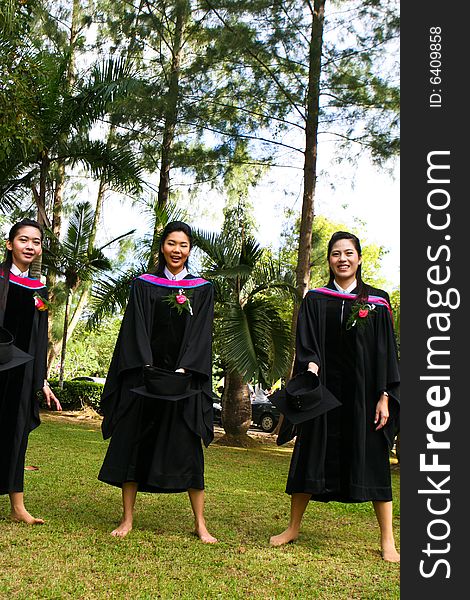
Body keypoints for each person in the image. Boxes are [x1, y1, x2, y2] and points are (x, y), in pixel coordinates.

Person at [270, 231, 400, 562]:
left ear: (359, 258)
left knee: (374, 462)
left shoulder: (377, 302)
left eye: (348, 253)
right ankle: (293, 528)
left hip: (364, 397)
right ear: (328, 260)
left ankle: (388, 541)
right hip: (323, 394)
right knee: (309, 455)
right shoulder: (316, 299)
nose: (342, 259)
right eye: (335, 254)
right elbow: (307, 342)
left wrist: (384, 396)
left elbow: (386, 353)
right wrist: (310, 368)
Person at [98, 221, 217, 543]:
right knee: (134, 444)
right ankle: (127, 519)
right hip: (144, 378)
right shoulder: (143, 285)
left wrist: (184, 370)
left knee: (189, 449)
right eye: (171, 244)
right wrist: (147, 366)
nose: (177, 251)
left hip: (185, 381)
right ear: (161, 247)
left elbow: (201, 333)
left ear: (190, 250)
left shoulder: (202, 289)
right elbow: (134, 329)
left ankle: (200, 523)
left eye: (183, 245)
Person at [0, 218, 61, 524]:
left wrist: (42, 379)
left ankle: (17, 507)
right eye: (24, 240)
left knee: (16, 436)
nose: (30, 246)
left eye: (36, 242)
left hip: (21, 374)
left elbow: (40, 336)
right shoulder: (0, 279)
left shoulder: (39, 290)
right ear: (10, 244)